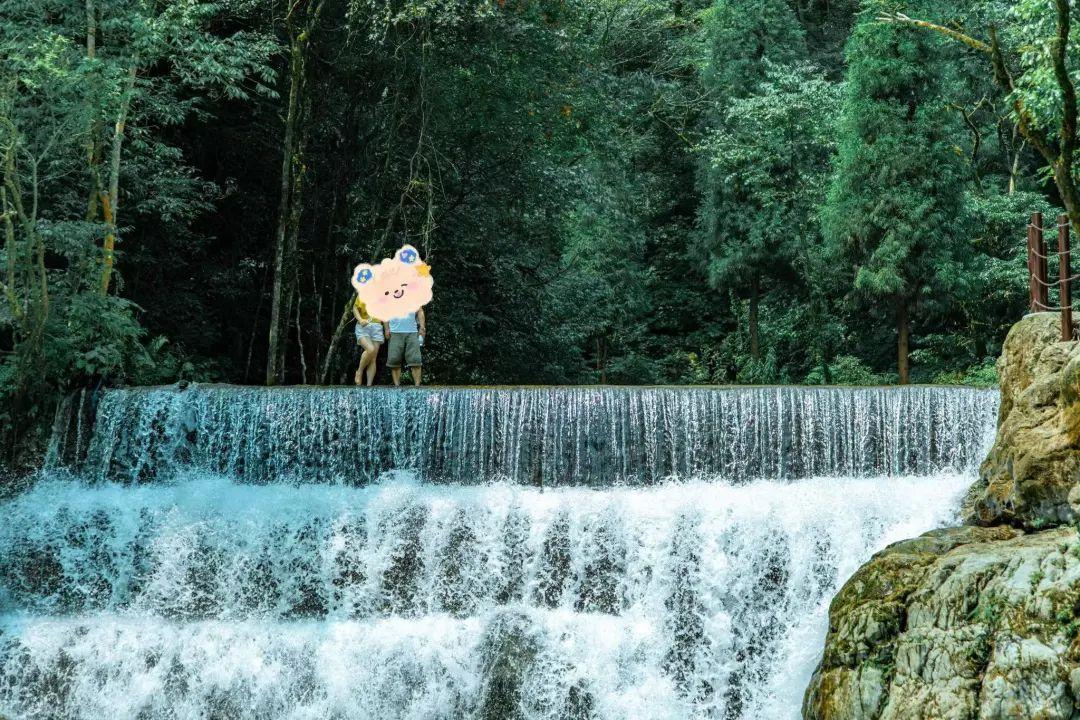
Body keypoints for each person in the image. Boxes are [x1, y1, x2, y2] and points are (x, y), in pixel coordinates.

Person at [384, 308, 426, 386]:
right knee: (394, 360)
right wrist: (386, 329)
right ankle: (397, 386)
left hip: (412, 332)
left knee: (415, 360)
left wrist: (422, 327)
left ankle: (417, 386)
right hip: (394, 332)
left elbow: (420, 310)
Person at [352, 296, 384, 386]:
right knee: (370, 349)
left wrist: (387, 329)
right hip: (363, 326)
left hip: (377, 326)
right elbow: (355, 308)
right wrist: (360, 319)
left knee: (373, 358)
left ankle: (369, 385)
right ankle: (359, 371)